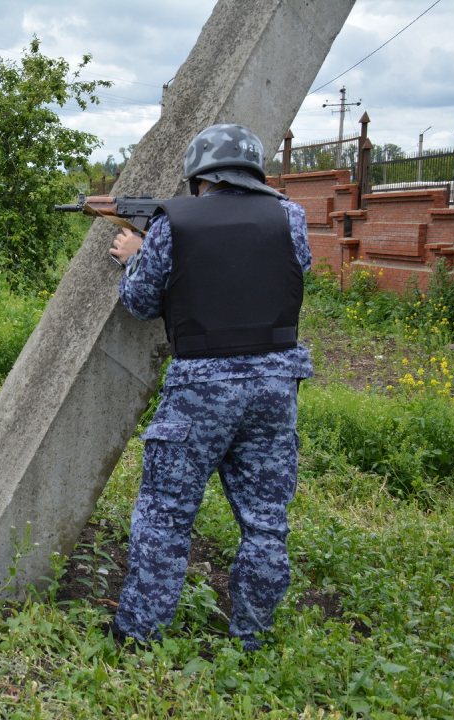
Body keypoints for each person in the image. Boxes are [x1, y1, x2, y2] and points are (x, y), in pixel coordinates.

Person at [106, 123, 312, 652]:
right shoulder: (290, 215)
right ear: (253, 172)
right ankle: (252, 640)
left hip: (201, 387)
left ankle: (139, 636)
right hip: (275, 387)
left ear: (199, 175)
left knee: (165, 516)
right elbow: (290, 272)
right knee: (266, 524)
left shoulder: (175, 221)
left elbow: (143, 302)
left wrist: (136, 255)